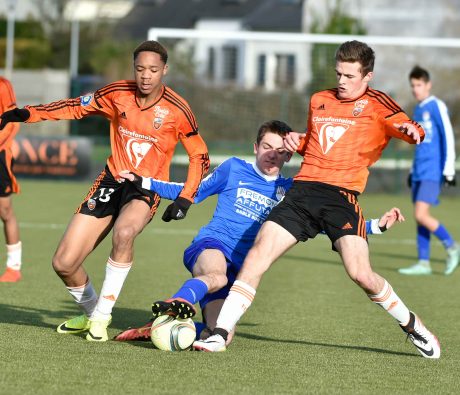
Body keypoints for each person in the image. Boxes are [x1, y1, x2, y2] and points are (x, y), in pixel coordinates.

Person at [193, 40, 441, 359]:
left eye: (350, 76)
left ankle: (412, 326)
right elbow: (317, 142)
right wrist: (301, 140)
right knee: (258, 255)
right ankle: (220, 334)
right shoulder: (319, 99)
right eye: (339, 74)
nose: (341, 81)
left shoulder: (379, 104)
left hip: (341, 197)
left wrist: (412, 131)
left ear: (368, 76)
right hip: (303, 190)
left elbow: (412, 130)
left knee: (361, 275)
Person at [114, 120, 405, 344]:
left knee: (221, 335)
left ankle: (155, 330)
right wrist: (144, 182)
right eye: (266, 146)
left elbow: (324, 225)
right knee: (215, 276)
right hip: (212, 245)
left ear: (289, 156)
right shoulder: (233, 168)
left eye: (281, 151)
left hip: (242, 270)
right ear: (255, 147)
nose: (272, 154)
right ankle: (177, 303)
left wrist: (375, 226)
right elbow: (192, 191)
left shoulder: (293, 190)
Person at [0, 40, 210, 342]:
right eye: (140, 69)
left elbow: (199, 155)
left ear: (165, 70)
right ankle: (90, 313)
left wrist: (185, 198)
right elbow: (75, 107)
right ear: (133, 68)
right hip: (111, 181)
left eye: (153, 69)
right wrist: (28, 114)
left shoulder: (178, 110)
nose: (146, 76)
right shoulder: (116, 94)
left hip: (145, 187)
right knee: (64, 263)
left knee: (124, 233)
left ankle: (100, 319)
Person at [399, 66, 458, 276]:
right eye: (413, 85)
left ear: (428, 84)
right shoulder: (417, 109)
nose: (415, 89)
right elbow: (419, 143)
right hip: (419, 171)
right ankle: (423, 262)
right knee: (419, 217)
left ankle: (452, 246)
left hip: (434, 170)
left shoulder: (436, 106)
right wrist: (412, 170)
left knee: (421, 214)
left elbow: (448, 136)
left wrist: (449, 168)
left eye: (419, 85)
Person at [0, 77, 22, 283]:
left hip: (0, 155)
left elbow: (13, 121)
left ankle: (13, 267)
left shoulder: (3, 85)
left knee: (4, 210)